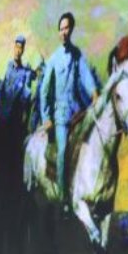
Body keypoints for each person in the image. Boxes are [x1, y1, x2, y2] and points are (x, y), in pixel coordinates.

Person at [37, 11, 101, 197]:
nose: (63, 32)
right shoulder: (54, 59)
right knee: (63, 151)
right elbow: (44, 90)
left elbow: (86, 74)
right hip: (61, 116)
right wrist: (46, 117)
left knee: (90, 145)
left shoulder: (77, 54)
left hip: (78, 112)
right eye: (61, 29)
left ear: (71, 30)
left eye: (66, 28)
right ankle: (62, 197)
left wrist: (94, 92)